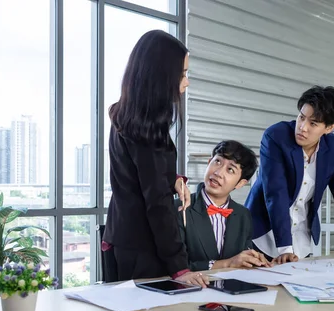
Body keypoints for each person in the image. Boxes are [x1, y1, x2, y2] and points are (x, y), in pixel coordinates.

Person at [102, 30, 208, 288]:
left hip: (122, 238)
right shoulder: (146, 129)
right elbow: (156, 202)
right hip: (142, 248)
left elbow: (141, 175)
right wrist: (179, 267)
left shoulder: (126, 117)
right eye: (183, 74)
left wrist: (173, 180)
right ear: (162, 76)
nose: (186, 82)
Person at [245, 86, 334, 265]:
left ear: (329, 127)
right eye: (301, 117)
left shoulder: (333, 147)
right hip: (263, 236)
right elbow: (276, 192)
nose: (302, 128)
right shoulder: (276, 136)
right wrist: (285, 249)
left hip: (301, 241)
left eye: (313, 123)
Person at [175, 140, 269, 271]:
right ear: (208, 163)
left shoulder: (243, 215)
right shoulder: (179, 208)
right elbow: (174, 267)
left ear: (240, 183)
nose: (218, 172)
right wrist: (227, 263)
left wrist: (257, 261)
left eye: (230, 169)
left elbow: (242, 261)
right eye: (217, 162)